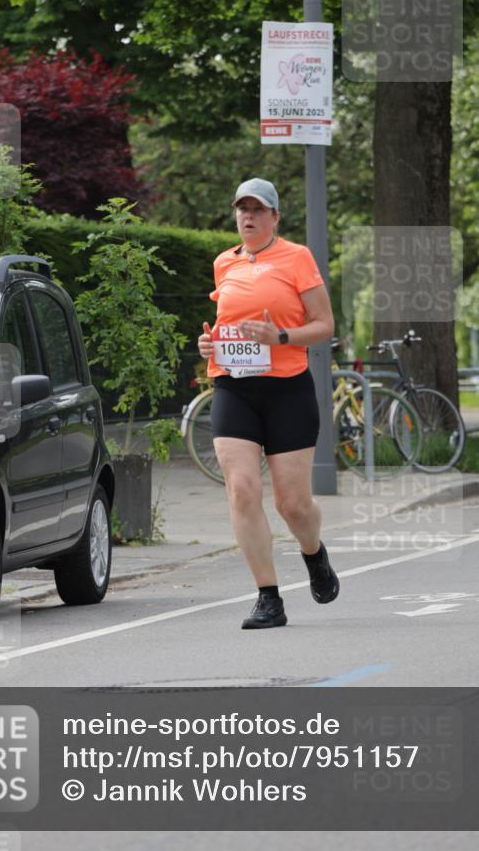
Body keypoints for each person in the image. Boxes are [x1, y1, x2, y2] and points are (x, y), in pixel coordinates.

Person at [198, 177, 339, 629]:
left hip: (287, 389)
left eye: (258, 209)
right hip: (233, 387)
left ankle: (314, 555)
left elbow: (323, 325)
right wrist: (209, 345)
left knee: (293, 504)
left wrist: (280, 335)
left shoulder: (297, 258)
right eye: (242, 209)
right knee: (241, 488)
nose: (248, 217)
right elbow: (225, 325)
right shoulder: (224, 264)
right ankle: (268, 597)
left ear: (275, 217)